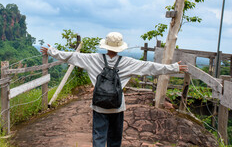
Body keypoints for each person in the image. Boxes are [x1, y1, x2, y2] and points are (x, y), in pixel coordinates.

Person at [40, 32, 188, 147]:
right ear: (120, 47)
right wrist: (173, 68)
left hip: (99, 105)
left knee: (99, 136)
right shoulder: (128, 62)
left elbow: (71, 57)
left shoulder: (93, 59)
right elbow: (150, 67)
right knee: (115, 138)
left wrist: (51, 51)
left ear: (106, 45)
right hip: (117, 107)